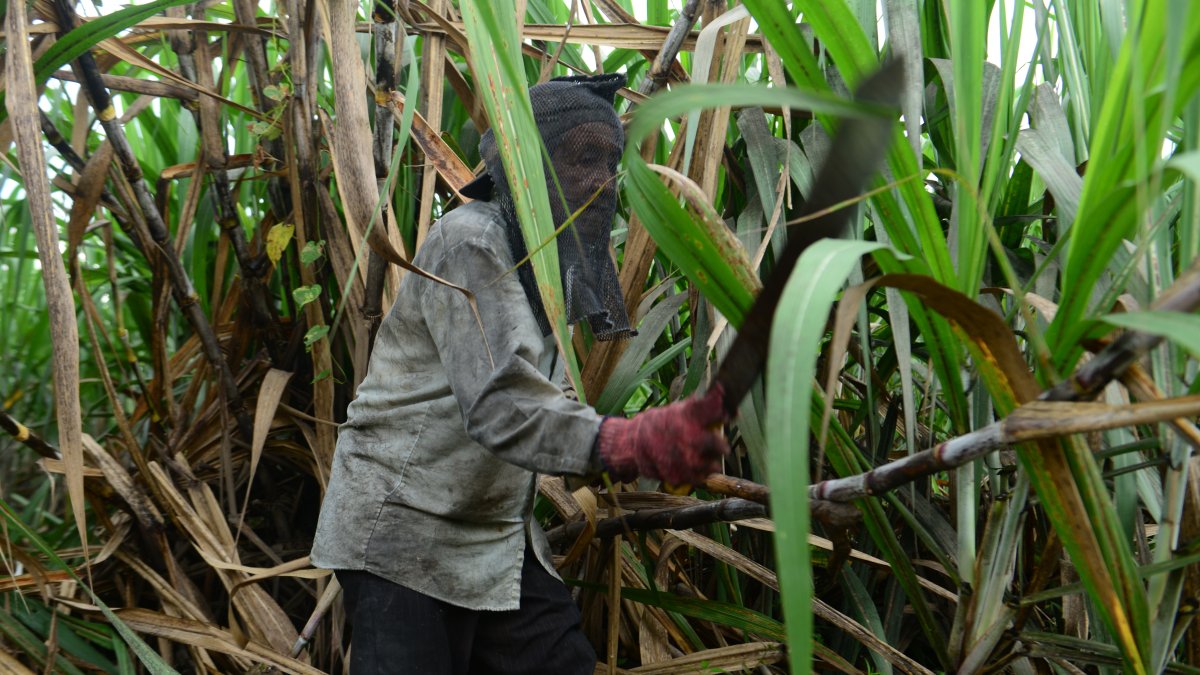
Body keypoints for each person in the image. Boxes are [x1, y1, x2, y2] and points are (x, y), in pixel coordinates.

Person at [310, 73, 729, 675]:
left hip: (496, 541)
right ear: (535, 161)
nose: (602, 177)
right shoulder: (471, 244)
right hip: (404, 534)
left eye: (611, 160)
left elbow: (540, 394)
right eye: (585, 157)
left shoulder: (549, 258)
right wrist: (629, 440)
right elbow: (503, 406)